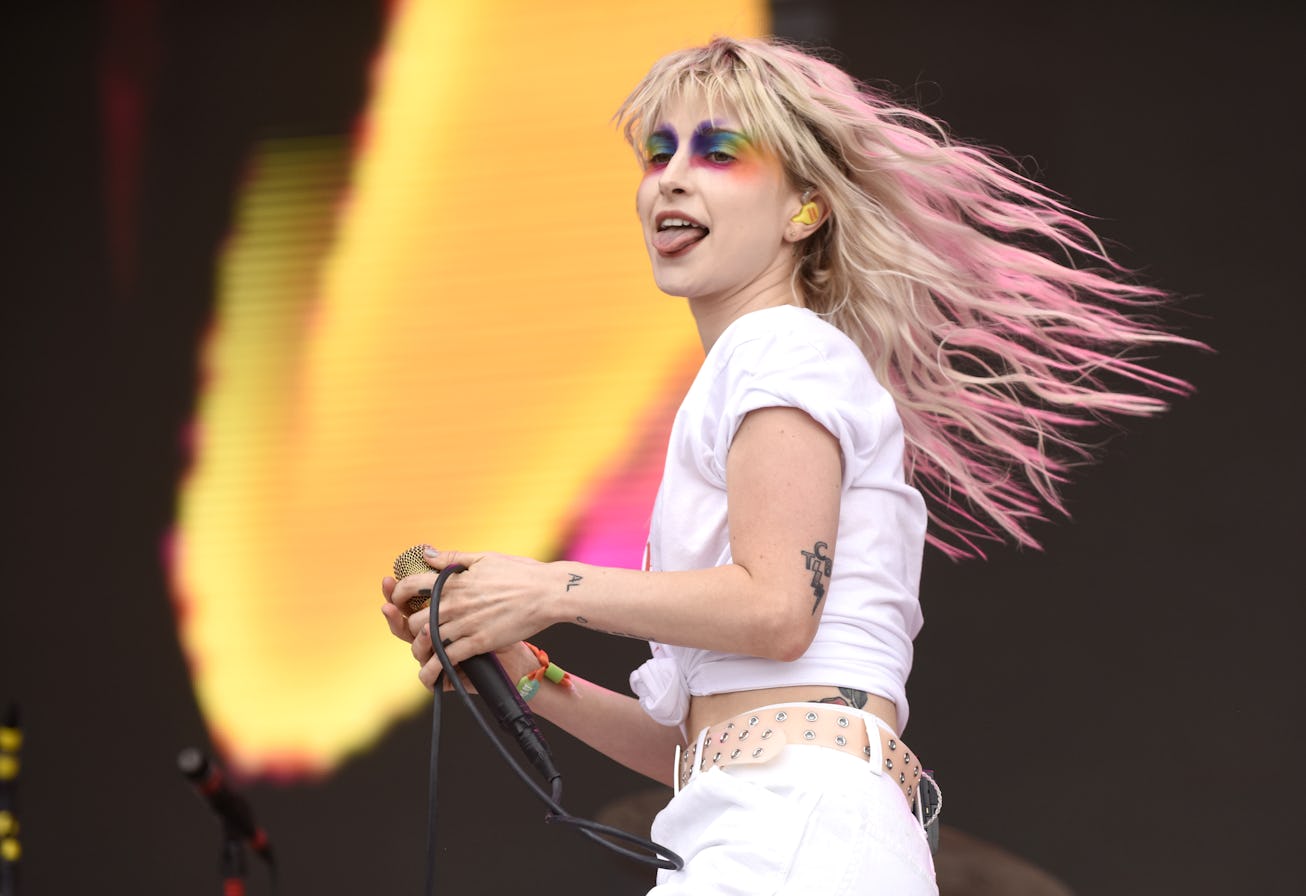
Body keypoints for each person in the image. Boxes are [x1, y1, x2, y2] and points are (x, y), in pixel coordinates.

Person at [381, 36, 1192, 894]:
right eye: (658, 154)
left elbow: (775, 610)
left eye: (719, 153)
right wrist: (525, 673)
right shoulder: (766, 364)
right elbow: (710, 743)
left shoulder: (781, 347)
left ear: (804, 210)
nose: (672, 178)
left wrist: (541, 589)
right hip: (773, 825)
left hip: (795, 832)